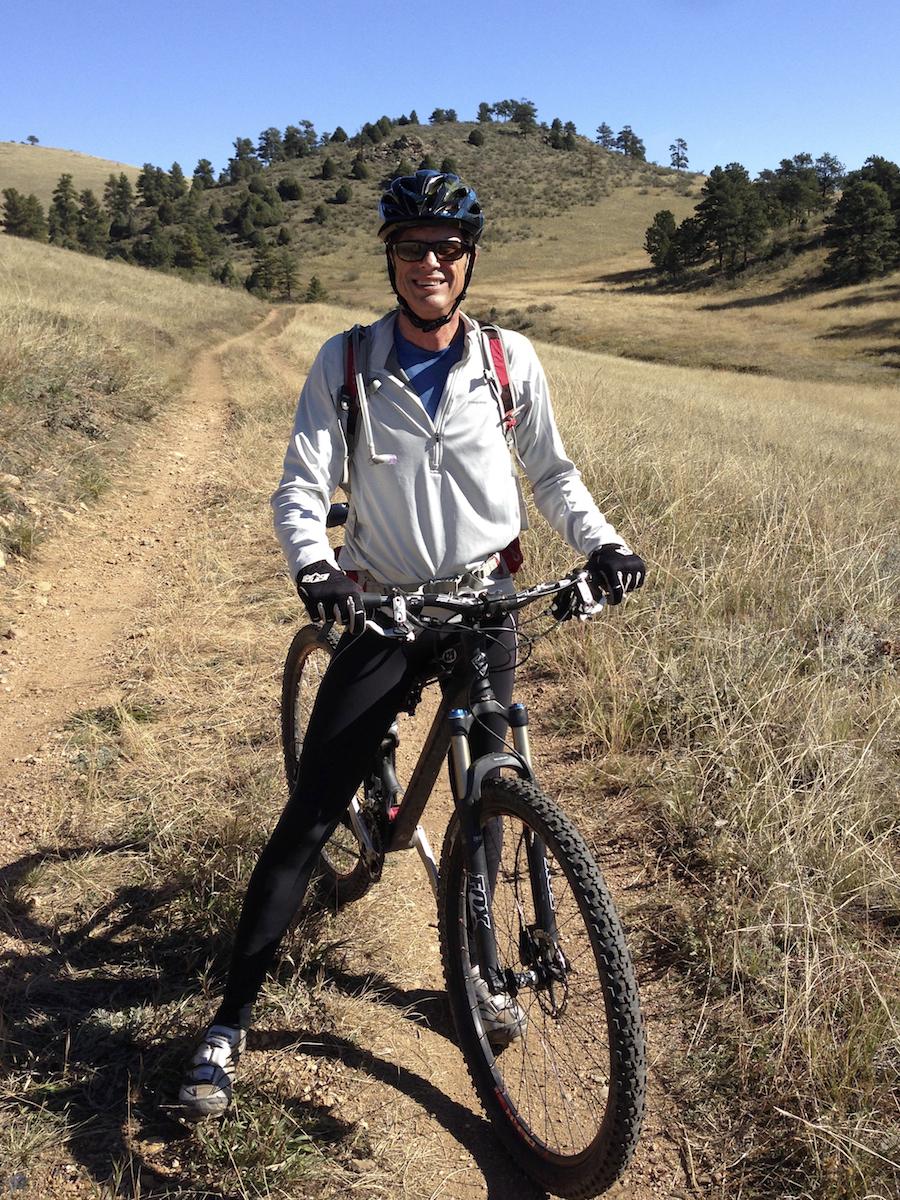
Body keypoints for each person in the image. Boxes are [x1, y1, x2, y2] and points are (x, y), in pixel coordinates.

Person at [178, 170, 645, 1119]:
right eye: (412, 249)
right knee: (311, 816)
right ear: (390, 260)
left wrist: (604, 544)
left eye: (447, 249)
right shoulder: (348, 361)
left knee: (493, 795)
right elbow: (302, 484)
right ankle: (227, 1025)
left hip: (486, 602)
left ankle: (480, 970)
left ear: (469, 261)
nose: (430, 263)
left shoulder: (507, 359)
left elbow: (553, 474)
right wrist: (316, 566)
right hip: (383, 608)